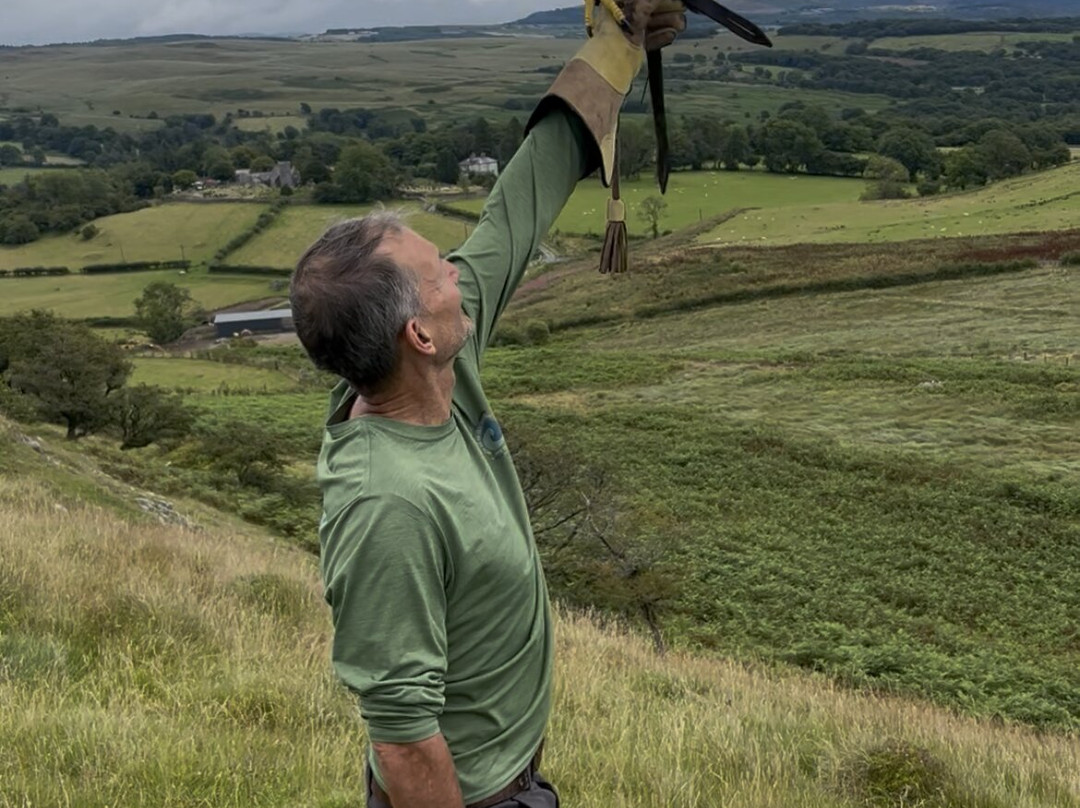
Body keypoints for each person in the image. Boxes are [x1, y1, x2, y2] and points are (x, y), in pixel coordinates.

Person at [289, 2, 686, 805]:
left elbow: (517, 203)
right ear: (419, 334)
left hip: (514, 775)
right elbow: (402, 746)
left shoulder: (430, 375)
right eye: (442, 273)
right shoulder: (386, 505)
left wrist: (617, 49)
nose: (459, 273)